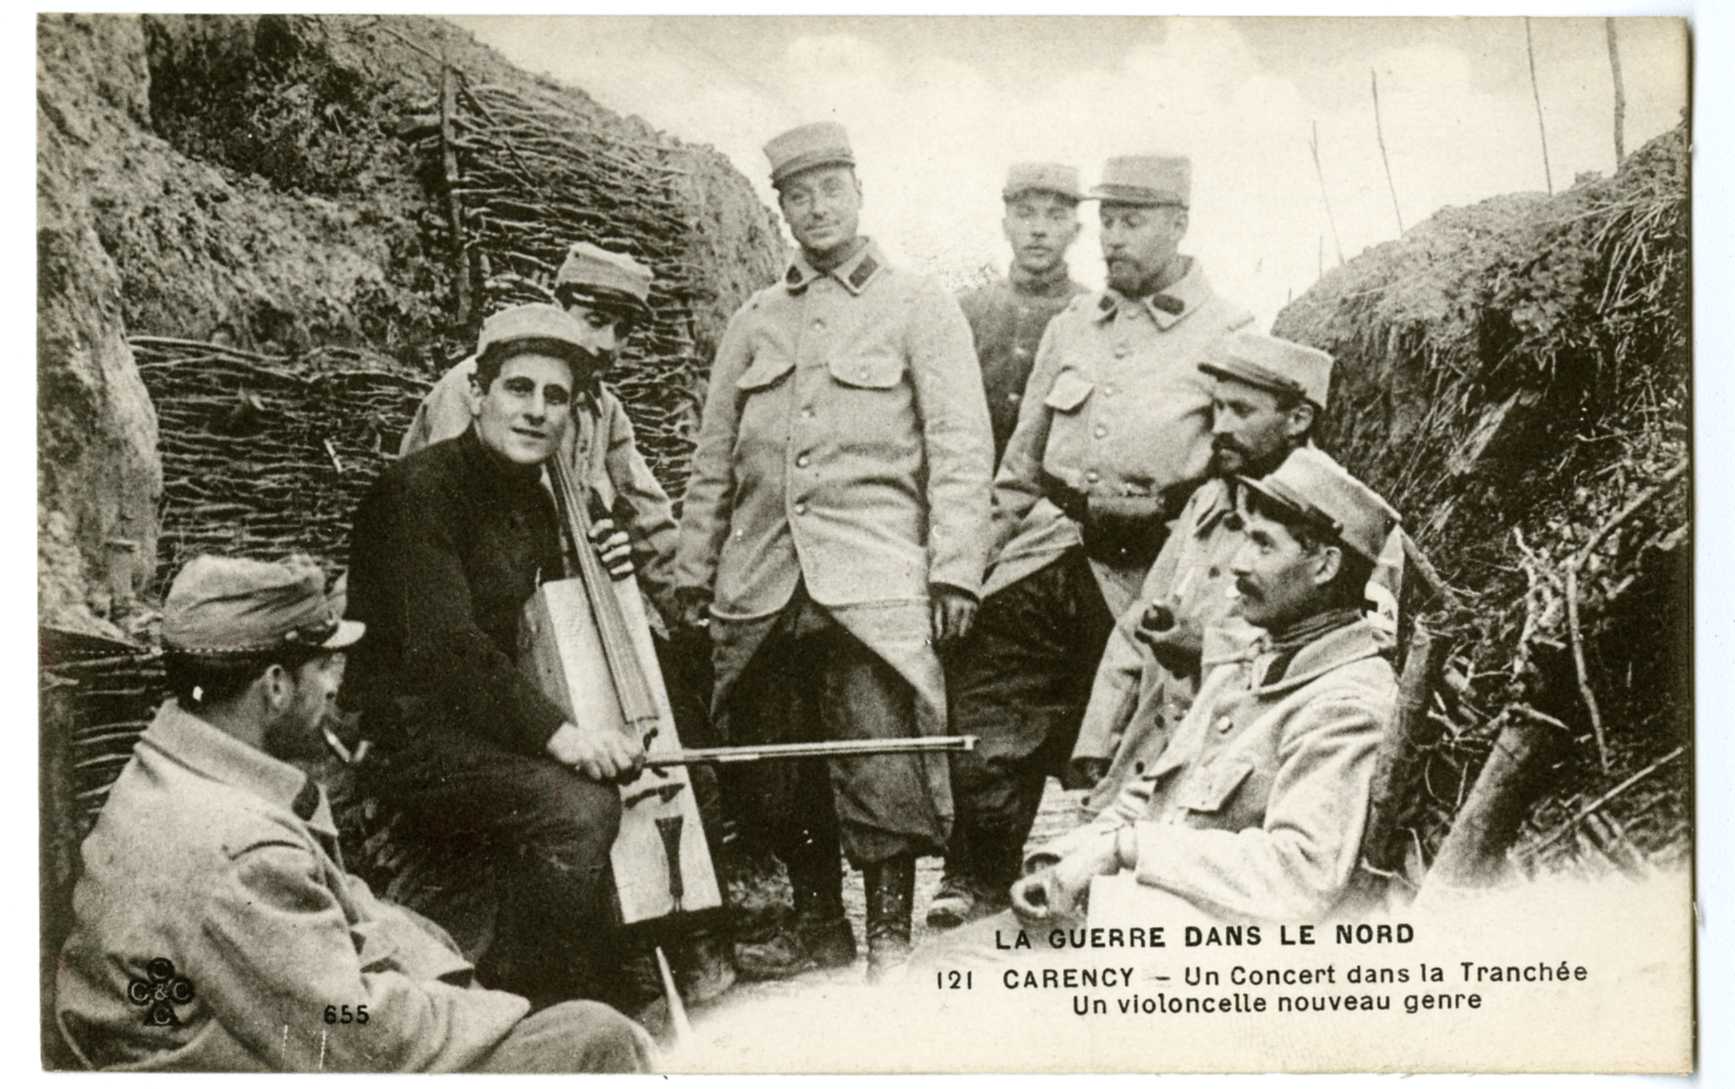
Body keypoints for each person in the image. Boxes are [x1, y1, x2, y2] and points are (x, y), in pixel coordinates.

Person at [54, 555, 651, 1072]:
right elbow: (360, 1039)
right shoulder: (240, 854)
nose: (336, 685)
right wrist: (492, 1012)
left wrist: (430, 970)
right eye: (325, 665)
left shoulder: (179, 763)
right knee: (595, 1040)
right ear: (275, 686)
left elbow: (345, 922)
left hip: (253, 1034)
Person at [673, 121, 994, 981]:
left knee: (880, 757)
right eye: (797, 196)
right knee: (780, 773)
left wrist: (955, 567)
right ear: (781, 210)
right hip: (764, 581)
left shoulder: (918, 305)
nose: (816, 210)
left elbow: (961, 448)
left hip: (873, 578)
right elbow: (715, 461)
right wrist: (694, 572)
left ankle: (889, 938)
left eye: (830, 191)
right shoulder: (753, 320)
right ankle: (820, 922)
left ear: (859, 194)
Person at [930, 153, 1254, 928]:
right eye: (1106, 219)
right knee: (986, 700)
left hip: (1154, 573)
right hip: (1051, 549)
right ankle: (976, 882)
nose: (1113, 236)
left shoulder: (1230, 332)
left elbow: (1245, 479)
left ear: (1178, 225)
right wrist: (964, 571)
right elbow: (1019, 468)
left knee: (1130, 736)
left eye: (1132, 220)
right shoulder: (1073, 325)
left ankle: (1098, 893)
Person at [345, 303, 646, 1008]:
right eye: (518, 388)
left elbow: (539, 632)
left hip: (477, 726)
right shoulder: (417, 490)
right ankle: (516, 999)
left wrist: (602, 551)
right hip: (405, 733)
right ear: (478, 394)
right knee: (580, 810)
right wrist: (563, 736)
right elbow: (449, 646)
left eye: (555, 397)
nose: (536, 410)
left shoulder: (536, 503)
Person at [1012, 447, 1401, 926]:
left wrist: (1124, 849)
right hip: (1124, 918)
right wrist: (1062, 862)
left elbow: (1300, 876)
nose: (1238, 564)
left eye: (1262, 545)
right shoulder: (1248, 662)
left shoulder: (1348, 702)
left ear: (1324, 566)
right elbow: (1150, 796)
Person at [1068, 331, 1334, 817]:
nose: (1219, 428)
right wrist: (1099, 741)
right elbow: (1137, 625)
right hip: (1156, 757)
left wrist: (1205, 648)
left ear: (1297, 419)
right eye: (1217, 410)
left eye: (1241, 411)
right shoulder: (1207, 503)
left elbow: (1339, 651)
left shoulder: (1337, 521)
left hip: (1247, 772)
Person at [399, 242, 680, 627]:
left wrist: (693, 614)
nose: (607, 345)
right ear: (557, 310)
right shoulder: (479, 388)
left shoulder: (604, 410)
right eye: (595, 320)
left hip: (553, 617)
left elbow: (649, 522)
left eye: (623, 330)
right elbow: (436, 528)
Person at [956, 162, 1088, 466]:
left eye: (1056, 216)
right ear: (1006, 226)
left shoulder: (1092, 313)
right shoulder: (967, 309)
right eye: (1025, 214)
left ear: (1075, 231)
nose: (1039, 230)